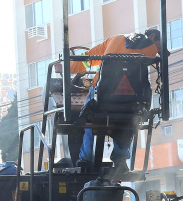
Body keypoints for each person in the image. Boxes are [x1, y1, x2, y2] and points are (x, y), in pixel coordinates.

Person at [65, 28, 162, 174]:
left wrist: (67, 66)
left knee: (89, 118)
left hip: (102, 97)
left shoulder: (115, 39)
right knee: (127, 122)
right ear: (152, 36)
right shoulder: (152, 49)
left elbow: (88, 58)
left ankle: (85, 159)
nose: (158, 49)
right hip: (131, 103)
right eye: (159, 45)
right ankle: (120, 160)